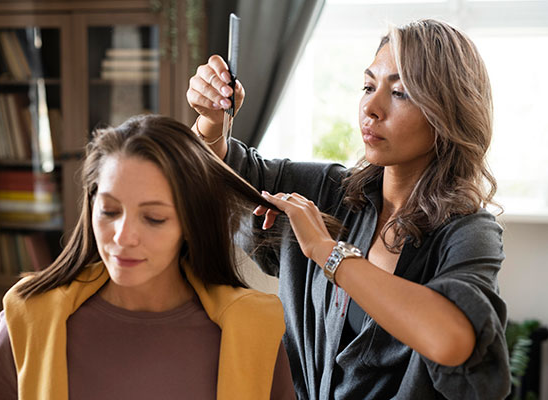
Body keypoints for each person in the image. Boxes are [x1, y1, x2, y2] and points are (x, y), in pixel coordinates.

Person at [186, 18, 510, 399]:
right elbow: (223, 176)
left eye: (401, 92)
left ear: (448, 112)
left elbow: (453, 340)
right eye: (368, 86)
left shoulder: (470, 233)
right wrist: (210, 124)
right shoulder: (329, 190)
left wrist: (328, 252)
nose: (371, 108)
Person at [0, 115, 309, 399]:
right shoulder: (29, 317)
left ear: (190, 222)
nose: (123, 237)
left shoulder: (253, 329)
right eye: (109, 211)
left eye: (153, 218)